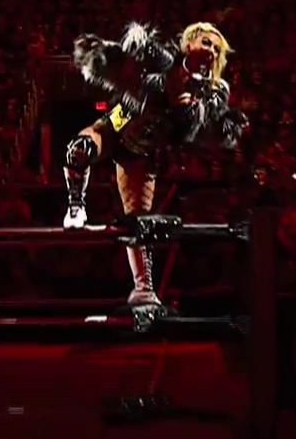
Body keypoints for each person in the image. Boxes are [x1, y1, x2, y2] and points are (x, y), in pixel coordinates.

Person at [64, 22, 247, 312]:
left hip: (146, 146)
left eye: (216, 48)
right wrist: (109, 56)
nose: (210, 50)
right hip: (126, 115)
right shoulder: (163, 59)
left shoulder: (212, 92)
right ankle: (76, 204)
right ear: (189, 43)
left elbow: (201, 131)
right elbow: (127, 66)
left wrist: (190, 110)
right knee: (82, 147)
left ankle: (144, 290)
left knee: (138, 221)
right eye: (206, 42)